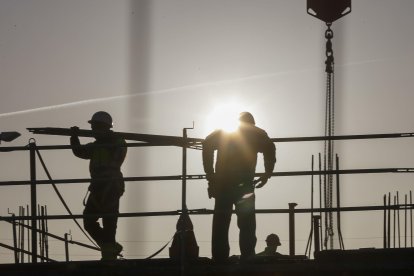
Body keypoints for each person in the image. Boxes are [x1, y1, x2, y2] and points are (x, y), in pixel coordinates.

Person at [202, 111, 276, 262]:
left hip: (223, 184)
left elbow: (207, 143)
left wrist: (210, 176)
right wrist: (267, 172)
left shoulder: (225, 132)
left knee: (221, 222)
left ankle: (219, 258)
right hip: (245, 185)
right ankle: (248, 255)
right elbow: (270, 148)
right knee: (247, 223)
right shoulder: (257, 133)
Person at [70, 111, 127, 260]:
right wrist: (74, 137)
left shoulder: (116, 141)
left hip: (111, 186)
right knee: (89, 220)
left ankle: (108, 256)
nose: (92, 131)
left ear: (104, 127)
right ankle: (110, 246)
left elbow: (121, 149)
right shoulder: (95, 146)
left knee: (109, 222)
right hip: (97, 187)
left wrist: (108, 139)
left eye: (95, 127)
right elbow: (79, 151)